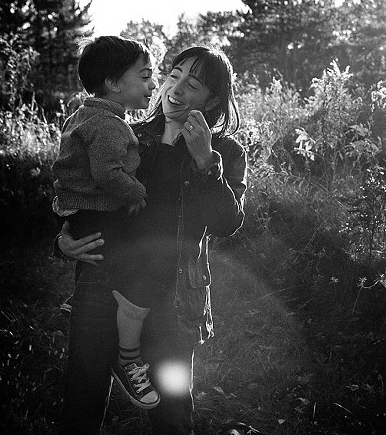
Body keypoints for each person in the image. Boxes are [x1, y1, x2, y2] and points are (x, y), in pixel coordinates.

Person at [55, 45, 247, 435]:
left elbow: (227, 223)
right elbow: (77, 187)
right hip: (102, 281)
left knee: (172, 411)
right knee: (82, 399)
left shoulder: (223, 151)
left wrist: (206, 164)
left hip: (173, 294)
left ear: (212, 99)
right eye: (173, 75)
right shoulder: (127, 133)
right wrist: (61, 239)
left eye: (192, 84)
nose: (175, 88)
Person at [52, 36, 161, 409]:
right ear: (114, 84)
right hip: (98, 213)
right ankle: (124, 351)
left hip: (83, 212)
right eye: (145, 76)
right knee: (137, 271)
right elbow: (108, 172)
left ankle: (86, 307)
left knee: (113, 266)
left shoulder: (85, 115)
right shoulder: (109, 123)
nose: (153, 84)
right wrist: (137, 193)